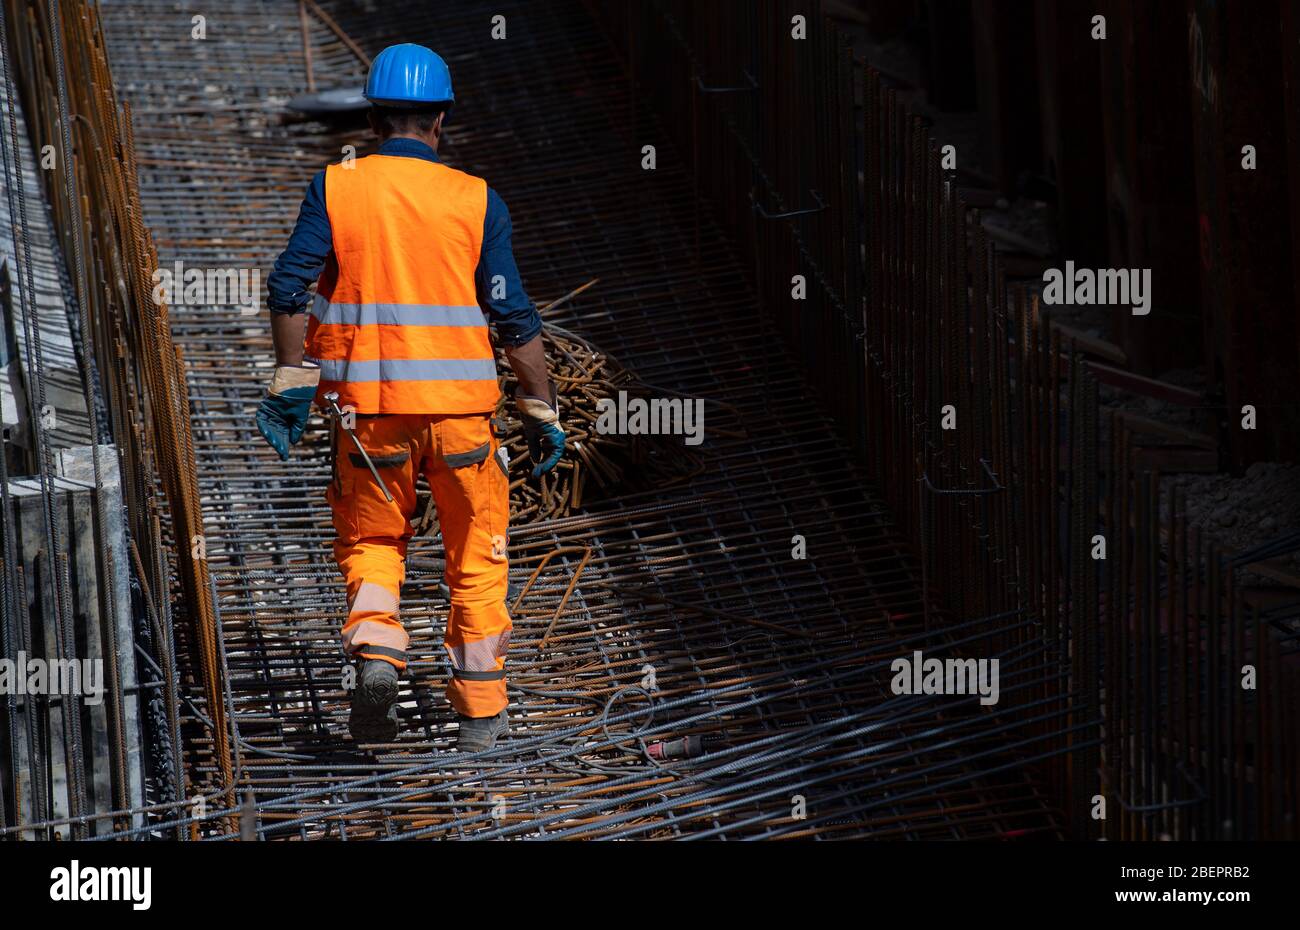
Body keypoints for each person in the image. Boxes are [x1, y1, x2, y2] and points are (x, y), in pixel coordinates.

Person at [256, 44, 564, 750]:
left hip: (369, 420)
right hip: (462, 422)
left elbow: (287, 288)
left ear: (372, 118)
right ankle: (482, 719)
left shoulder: (337, 188)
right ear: (442, 118)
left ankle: (376, 655)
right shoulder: (476, 198)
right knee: (477, 556)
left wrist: (291, 378)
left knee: (371, 541)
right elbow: (515, 319)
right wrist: (540, 406)